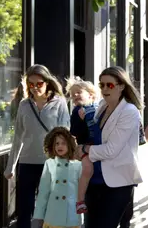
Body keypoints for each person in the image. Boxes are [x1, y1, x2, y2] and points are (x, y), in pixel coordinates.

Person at [76, 66, 143, 228]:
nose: (105, 88)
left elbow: (111, 150)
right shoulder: (101, 106)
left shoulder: (129, 111)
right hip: (94, 179)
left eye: (110, 85)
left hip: (117, 183)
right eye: (102, 85)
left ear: (121, 86)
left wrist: (85, 150)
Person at [4, 64, 70, 228]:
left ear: (47, 82)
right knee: (24, 210)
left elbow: (65, 134)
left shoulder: (59, 102)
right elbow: (18, 136)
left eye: (38, 84)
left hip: (50, 163)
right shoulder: (24, 105)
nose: (34, 88)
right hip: (27, 163)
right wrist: (11, 165)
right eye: (30, 84)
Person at [33, 127, 83, 228]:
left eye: (63, 143)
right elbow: (43, 192)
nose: (60, 146)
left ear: (70, 144)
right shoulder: (49, 163)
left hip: (71, 216)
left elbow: (82, 191)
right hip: (53, 216)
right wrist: (38, 217)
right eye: (57, 143)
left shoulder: (78, 165)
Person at [67, 77, 98, 214]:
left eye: (78, 92)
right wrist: (80, 120)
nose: (75, 96)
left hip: (97, 146)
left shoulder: (98, 108)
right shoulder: (76, 111)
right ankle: (80, 201)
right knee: (87, 169)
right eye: (73, 95)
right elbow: (74, 132)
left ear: (90, 94)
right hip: (85, 145)